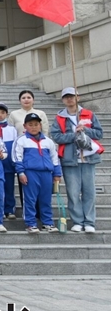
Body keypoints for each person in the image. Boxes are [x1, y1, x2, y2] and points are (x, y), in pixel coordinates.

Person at [50, 87, 103, 234]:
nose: (69, 99)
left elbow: (99, 133)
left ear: (77, 97)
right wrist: (74, 135)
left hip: (88, 158)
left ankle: (89, 221)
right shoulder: (59, 118)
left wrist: (85, 130)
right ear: (63, 100)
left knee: (89, 192)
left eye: (72, 96)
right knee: (73, 192)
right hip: (69, 159)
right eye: (66, 97)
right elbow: (56, 136)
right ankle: (78, 221)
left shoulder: (89, 114)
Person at [14, 113, 62, 234]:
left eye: (36, 124)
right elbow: (17, 157)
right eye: (30, 124)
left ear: (40, 125)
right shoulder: (21, 140)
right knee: (30, 199)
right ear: (25, 126)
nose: (34, 127)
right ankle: (30, 223)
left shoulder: (48, 141)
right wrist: (21, 173)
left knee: (46, 199)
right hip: (30, 173)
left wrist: (57, 174)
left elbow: (55, 158)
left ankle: (47, 222)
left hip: (46, 173)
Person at [0, 103, 19, 221]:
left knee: (9, 187)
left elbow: (15, 146)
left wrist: (14, 161)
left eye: (3, 113)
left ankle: (9, 209)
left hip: (8, 163)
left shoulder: (12, 129)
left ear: (7, 114)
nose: (0, 115)